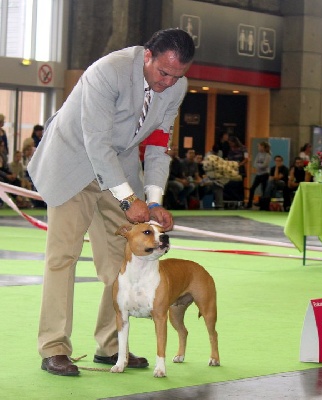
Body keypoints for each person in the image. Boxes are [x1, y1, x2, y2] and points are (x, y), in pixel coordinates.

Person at [27, 28, 195, 377]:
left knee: (124, 256)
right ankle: (54, 347)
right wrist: (129, 198)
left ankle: (110, 346)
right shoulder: (109, 70)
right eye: (163, 72)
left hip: (118, 167)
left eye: (177, 75)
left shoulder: (175, 87)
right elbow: (97, 142)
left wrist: (152, 200)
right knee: (63, 256)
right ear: (148, 56)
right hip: (73, 160)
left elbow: (158, 146)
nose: (168, 82)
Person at [246, 141, 271, 209]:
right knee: (252, 188)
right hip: (258, 174)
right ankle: (249, 204)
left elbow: (264, 165)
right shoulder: (258, 154)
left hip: (265, 174)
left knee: (263, 189)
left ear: (263, 147)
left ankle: (264, 205)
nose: (258, 148)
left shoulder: (267, 155)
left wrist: (258, 165)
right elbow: (254, 163)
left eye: (259, 146)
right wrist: (258, 165)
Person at [224, 135, 248, 203]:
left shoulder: (244, 148)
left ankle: (240, 200)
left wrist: (239, 165)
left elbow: (246, 159)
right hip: (231, 169)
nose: (230, 144)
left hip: (240, 169)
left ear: (235, 142)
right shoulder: (230, 149)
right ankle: (231, 200)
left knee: (239, 185)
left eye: (231, 143)